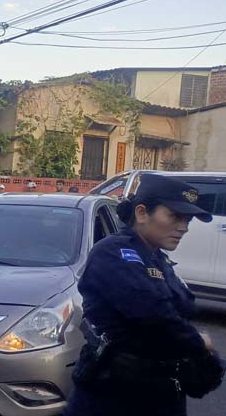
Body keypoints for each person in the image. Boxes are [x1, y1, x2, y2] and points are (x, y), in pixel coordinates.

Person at [67, 174, 224, 416]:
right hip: (114, 394)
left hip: (159, 390)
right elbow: (153, 314)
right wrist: (199, 343)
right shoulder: (113, 252)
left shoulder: (156, 257)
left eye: (187, 220)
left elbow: (182, 306)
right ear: (142, 213)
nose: (183, 227)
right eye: (174, 216)